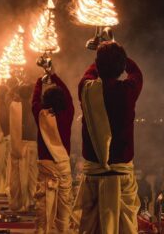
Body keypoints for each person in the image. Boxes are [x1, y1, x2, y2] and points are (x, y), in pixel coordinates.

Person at [74, 41, 143, 234]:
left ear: (98, 64)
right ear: (121, 66)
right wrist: (117, 53)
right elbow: (136, 72)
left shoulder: (86, 89)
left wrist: (101, 51)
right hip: (122, 177)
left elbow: (89, 74)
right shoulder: (128, 91)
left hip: (94, 175)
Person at [32, 67, 74, 234]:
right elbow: (69, 96)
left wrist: (39, 81)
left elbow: (34, 101)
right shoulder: (68, 113)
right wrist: (54, 75)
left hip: (46, 166)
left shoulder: (41, 115)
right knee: (64, 208)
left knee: (43, 206)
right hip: (63, 166)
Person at [9, 83, 38, 212]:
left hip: (19, 145)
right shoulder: (36, 107)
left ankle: (18, 203)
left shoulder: (15, 107)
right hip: (33, 144)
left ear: (19, 94)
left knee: (18, 176)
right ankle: (31, 201)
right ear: (31, 94)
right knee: (32, 175)